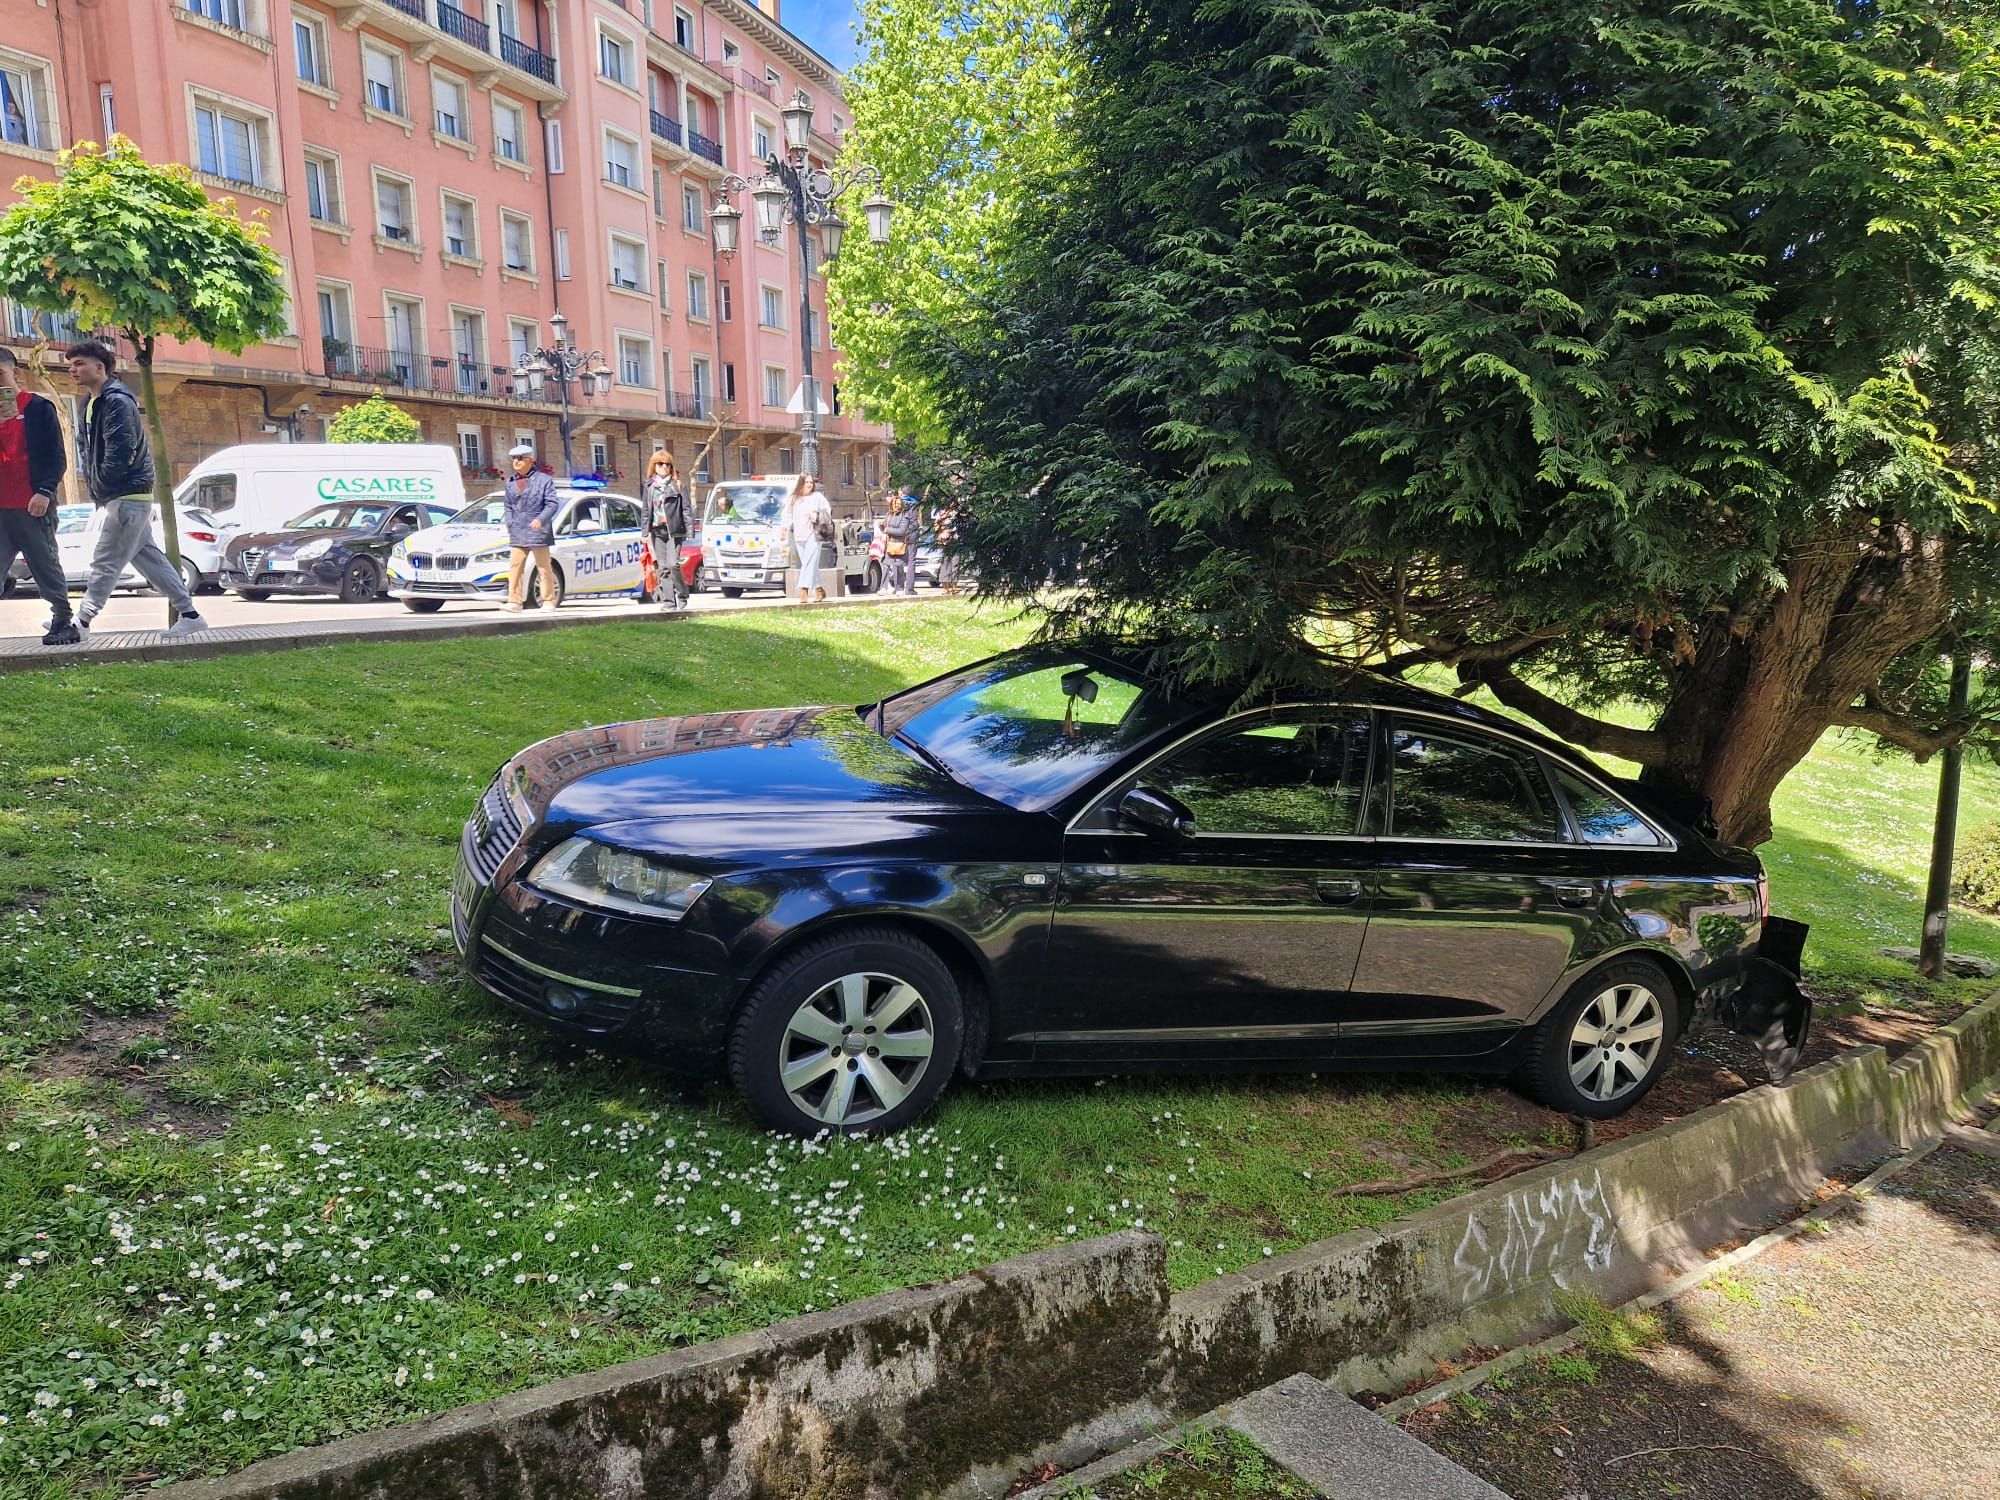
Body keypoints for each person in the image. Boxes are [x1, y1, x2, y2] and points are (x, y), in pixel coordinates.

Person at [67, 340, 207, 637]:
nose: (73, 370)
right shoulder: (89, 403)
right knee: (149, 559)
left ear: (100, 367)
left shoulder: (117, 400)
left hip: (127, 492)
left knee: (105, 560)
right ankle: (190, 613)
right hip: (121, 493)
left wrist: (102, 485)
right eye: (71, 364)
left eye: (79, 364)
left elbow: (120, 450)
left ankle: (82, 622)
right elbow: (86, 448)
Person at [0, 347, 78, 645]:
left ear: (15, 374)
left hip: (32, 505)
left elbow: (56, 457)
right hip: (1, 507)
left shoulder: (38, 408)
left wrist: (45, 491)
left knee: (45, 563)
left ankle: (63, 620)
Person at [501, 441, 559, 611]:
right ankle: (514, 601)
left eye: (519, 458)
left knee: (543, 567)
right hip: (517, 529)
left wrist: (540, 520)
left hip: (538, 530)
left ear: (530, 460)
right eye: (513, 458)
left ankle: (548, 601)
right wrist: (510, 522)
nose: (516, 462)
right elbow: (507, 505)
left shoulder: (544, 480)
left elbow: (552, 504)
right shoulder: (510, 481)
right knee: (515, 566)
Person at [642, 450, 689, 613]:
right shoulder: (649, 486)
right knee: (662, 568)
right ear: (654, 466)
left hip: (673, 531)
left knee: (673, 564)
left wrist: (689, 532)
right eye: (660, 464)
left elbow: (686, 509)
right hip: (657, 531)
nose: (664, 467)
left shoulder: (677, 486)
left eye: (667, 464)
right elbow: (646, 511)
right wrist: (644, 533)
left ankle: (682, 593)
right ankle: (669, 602)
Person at [785, 472, 833, 604]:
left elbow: (827, 511)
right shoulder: (794, 498)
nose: (809, 485)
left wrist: (816, 517)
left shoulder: (817, 497)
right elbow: (787, 515)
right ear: (801, 483)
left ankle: (803, 590)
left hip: (814, 534)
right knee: (810, 565)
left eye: (811, 482)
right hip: (799, 535)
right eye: (807, 482)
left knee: (808, 563)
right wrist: (785, 529)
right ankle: (819, 589)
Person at [881, 492, 919, 597]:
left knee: (897, 564)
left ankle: (899, 588)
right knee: (889, 564)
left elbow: (901, 530)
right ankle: (887, 588)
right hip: (897, 540)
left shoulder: (903, 512)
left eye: (898, 503)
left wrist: (887, 529)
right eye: (895, 503)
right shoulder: (889, 515)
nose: (896, 505)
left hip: (900, 540)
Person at [933, 499, 962, 596]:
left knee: (955, 564)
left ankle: (954, 587)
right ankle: (945, 588)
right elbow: (936, 527)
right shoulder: (940, 514)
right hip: (944, 543)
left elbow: (959, 527)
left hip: (956, 541)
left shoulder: (958, 514)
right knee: (945, 565)